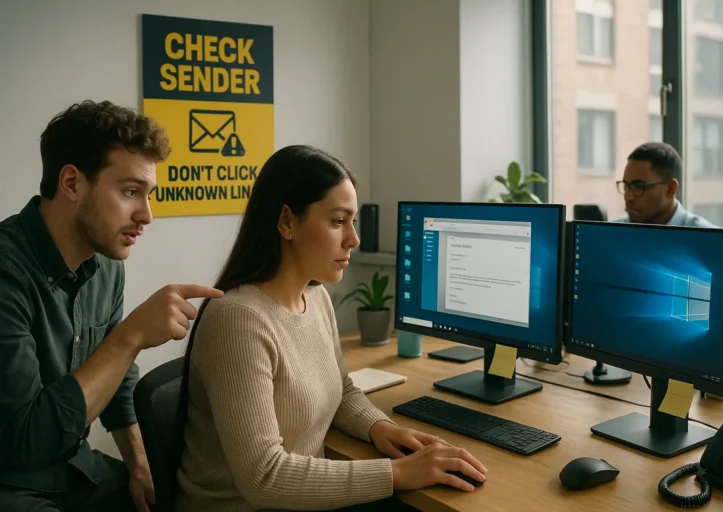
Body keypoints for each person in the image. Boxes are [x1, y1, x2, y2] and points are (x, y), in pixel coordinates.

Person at [176, 145, 488, 512]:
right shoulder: (238, 319)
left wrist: (381, 428)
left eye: (351, 221)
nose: (353, 239)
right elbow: (264, 478)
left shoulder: (317, 297)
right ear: (287, 222)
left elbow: (340, 389)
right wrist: (398, 473)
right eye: (338, 221)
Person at [0, 100, 223, 512]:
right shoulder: (6, 270)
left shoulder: (105, 264)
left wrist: (139, 463)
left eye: (148, 194)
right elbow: (24, 441)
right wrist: (131, 337)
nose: (147, 215)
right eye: (130, 192)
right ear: (71, 183)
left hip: (76, 467)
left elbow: (115, 378)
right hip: (14, 481)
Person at [613, 141, 718, 227]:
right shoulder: (611, 234)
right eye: (626, 185)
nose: (627, 196)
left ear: (670, 189)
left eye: (639, 186)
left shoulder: (709, 240)